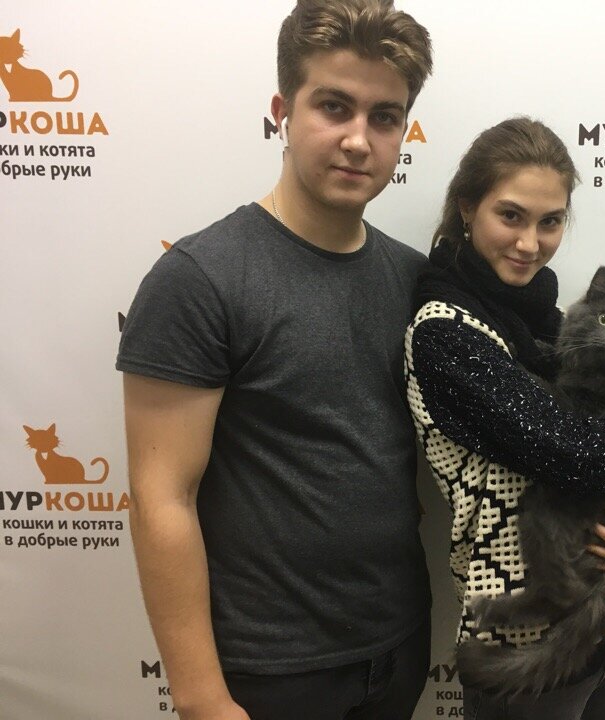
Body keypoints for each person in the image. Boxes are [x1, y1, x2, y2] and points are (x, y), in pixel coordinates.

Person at [116, 2, 433, 719]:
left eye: (385, 117)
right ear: (282, 113)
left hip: (400, 645)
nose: (358, 140)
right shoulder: (201, 278)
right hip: (267, 672)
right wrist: (201, 697)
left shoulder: (417, 280)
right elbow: (161, 496)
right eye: (334, 106)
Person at [404, 117, 605, 720]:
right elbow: (579, 455)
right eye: (510, 216)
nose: (529, 243)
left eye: (550, 221)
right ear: (467, 208)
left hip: (603, 624)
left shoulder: (544, 317)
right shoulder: (446, 332)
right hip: (526, 643)